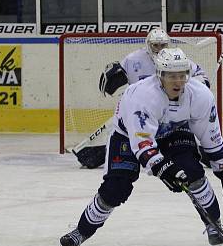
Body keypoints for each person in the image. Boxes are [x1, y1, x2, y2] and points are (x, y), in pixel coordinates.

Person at [59, 47, 223, 246]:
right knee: (115, 189)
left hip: (173, 132)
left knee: (194, 174)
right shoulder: (141, 96)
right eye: (171, 76)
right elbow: (143, 145)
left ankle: (214, 225)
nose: (178, 81)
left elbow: (211, 139)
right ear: (160, 75)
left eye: (182, 75)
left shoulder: (201, 96)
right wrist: (164, 169)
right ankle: (81, 231)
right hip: (127, 135)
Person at [73, 27, 213, 169]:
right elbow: (114, 78)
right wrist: (112, 78)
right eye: (155, 45)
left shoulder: (176, 60)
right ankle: (89, 153)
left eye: (163, 45)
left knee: (187, 132)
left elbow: (201, 76)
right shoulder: (133, 59)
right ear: (148, 44)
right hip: (140, 110)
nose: (159, 49)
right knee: (117, 132)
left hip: (170, 110)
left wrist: (199, 85)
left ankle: (212, 154)